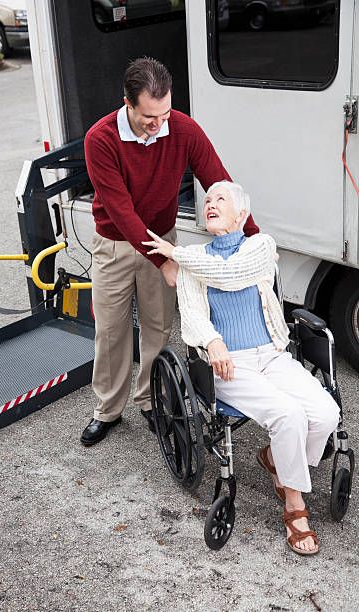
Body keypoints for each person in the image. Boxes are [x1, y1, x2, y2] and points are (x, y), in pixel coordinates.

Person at [143, 180, 340, 555]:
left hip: (271, 354)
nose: (210, 203)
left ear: (242, 215)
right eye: (208, 199)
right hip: (228, 365)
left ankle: (278, 463)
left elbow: (229, 273)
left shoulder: (260, 246)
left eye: (222, 199)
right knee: (288, 415)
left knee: (326, 413)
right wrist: (213, 340)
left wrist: (177, 255)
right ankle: (294, 506)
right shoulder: (193, 257)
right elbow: (194, 314)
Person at [81, 57, 259, 446]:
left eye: (164, 113)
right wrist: (163, 262)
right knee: (111, 330)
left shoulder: (181, 128)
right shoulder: (100, 139)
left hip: (162, 236)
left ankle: (150, 399)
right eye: (149, 116)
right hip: (114, 242)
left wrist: (254, 240)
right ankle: (107, 410)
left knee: (158, 325)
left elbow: (218, 180)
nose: (158, 124)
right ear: (126, 103)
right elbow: (122, 212)